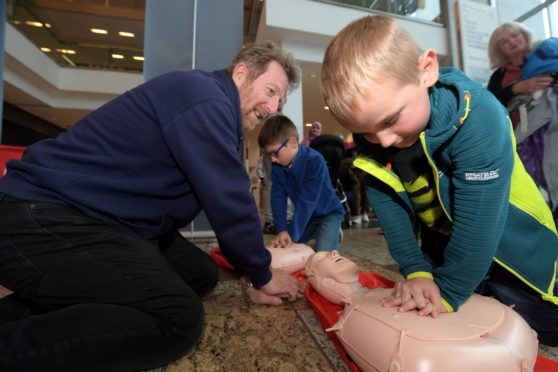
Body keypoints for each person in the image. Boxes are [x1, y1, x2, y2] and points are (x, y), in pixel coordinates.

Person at [0, 40, 305, 372]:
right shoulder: (204, 96)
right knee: (178, 319)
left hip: (98, 218)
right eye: (271, 90)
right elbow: (230, 197)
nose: (274, 107)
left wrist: (250, 275)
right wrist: (261, 274)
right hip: (38, 215)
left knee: (199, 274)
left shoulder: (210, 102)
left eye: (280, 100)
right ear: (242, 73)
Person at [320, 14, 558, 345]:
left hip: (515, 248)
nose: (384, 141)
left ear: (427, 70)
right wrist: (416, 270)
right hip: (444, 247)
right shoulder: (373, 140)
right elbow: (390, 211)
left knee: (544, 329)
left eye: (391, 120)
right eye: (366, 132)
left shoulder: (479, 117)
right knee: (467, 334)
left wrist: (448, 290)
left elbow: (479, 222)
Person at [305, 251, 539, 372]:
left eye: (332, 252)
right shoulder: (353, 316)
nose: (335, 252)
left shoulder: (373, 300)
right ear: (316, 279)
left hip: (510, 331)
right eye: (323, 257)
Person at [487, 23, 556, 205]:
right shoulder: (498, 77)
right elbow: (490, 103)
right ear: (498, 49)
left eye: (515, 35)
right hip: (522, 140)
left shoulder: (545, 54)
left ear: (524, 35)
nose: (512, 42)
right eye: (504, 41)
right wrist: (516, 88)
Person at [257, 115, 346, 252]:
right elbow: (277, 197)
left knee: (323, 256)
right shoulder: (278, 166)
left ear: (292, 143)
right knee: (284, 247)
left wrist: (291, 236)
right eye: (269, 155)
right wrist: (281, 230)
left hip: (328, 214)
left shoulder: (314, 160)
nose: (272, 160)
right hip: (308, 218)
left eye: (274, 153)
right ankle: (323, 233)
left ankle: (332, 231)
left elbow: (307, 201)